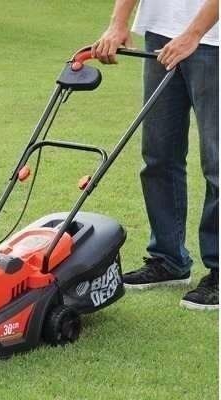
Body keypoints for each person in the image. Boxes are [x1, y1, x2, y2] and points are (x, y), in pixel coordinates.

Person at [92, 0, 219, 310]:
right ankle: (168, 259)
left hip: (213, 41)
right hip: (161, 36)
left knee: (217, 163)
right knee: (159, 154)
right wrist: (118, 22)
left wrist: (194, 34)